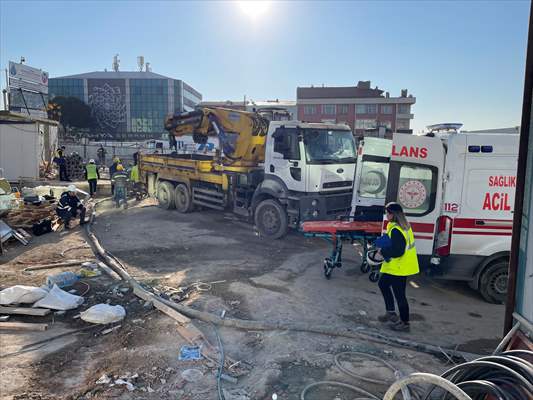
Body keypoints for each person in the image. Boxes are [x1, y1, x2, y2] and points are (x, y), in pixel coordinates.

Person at [376, 202, 420, 332]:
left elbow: (398, 251)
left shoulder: (396, 229)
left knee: (400, 295)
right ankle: (391, 313)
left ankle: (405, 323)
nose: (386, 215)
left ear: (392, 214)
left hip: (399, 268)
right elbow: (395, 243)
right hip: (398, 266)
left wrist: (382, 252)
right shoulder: (402, 226)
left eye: (387, 213)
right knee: (383, 284)